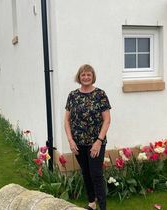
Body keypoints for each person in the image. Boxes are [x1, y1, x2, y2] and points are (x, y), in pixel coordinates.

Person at [64, 64, 111, 210]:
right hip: (78, 143)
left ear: (93, 77)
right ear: (79, 77)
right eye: (83, 75)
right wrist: (71, 141)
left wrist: (98, 142)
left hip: (96, 142)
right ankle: (92, 203)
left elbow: (107, 120)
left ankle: (102, 207)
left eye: (88, 75)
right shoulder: (72, 95)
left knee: (96, 174)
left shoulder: (100, 95)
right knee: (85, 173)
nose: (86, 77)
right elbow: (66, 120)